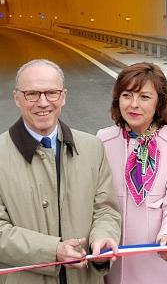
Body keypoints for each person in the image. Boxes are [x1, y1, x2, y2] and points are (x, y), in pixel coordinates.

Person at [0, 59, 121, 284]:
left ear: (63, 96)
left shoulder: (92, 148)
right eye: (32, 94)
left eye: (51, 93)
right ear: (17, 98)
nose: (43, 102)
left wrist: (103, 238)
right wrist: (52, 250)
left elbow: (105, 210)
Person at [96, 62, 167, 284]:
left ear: (159, 102)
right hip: (113, 263)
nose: (134, 105)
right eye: (127, 95)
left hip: (159, 261)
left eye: (144, 97)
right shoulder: (102, 140)